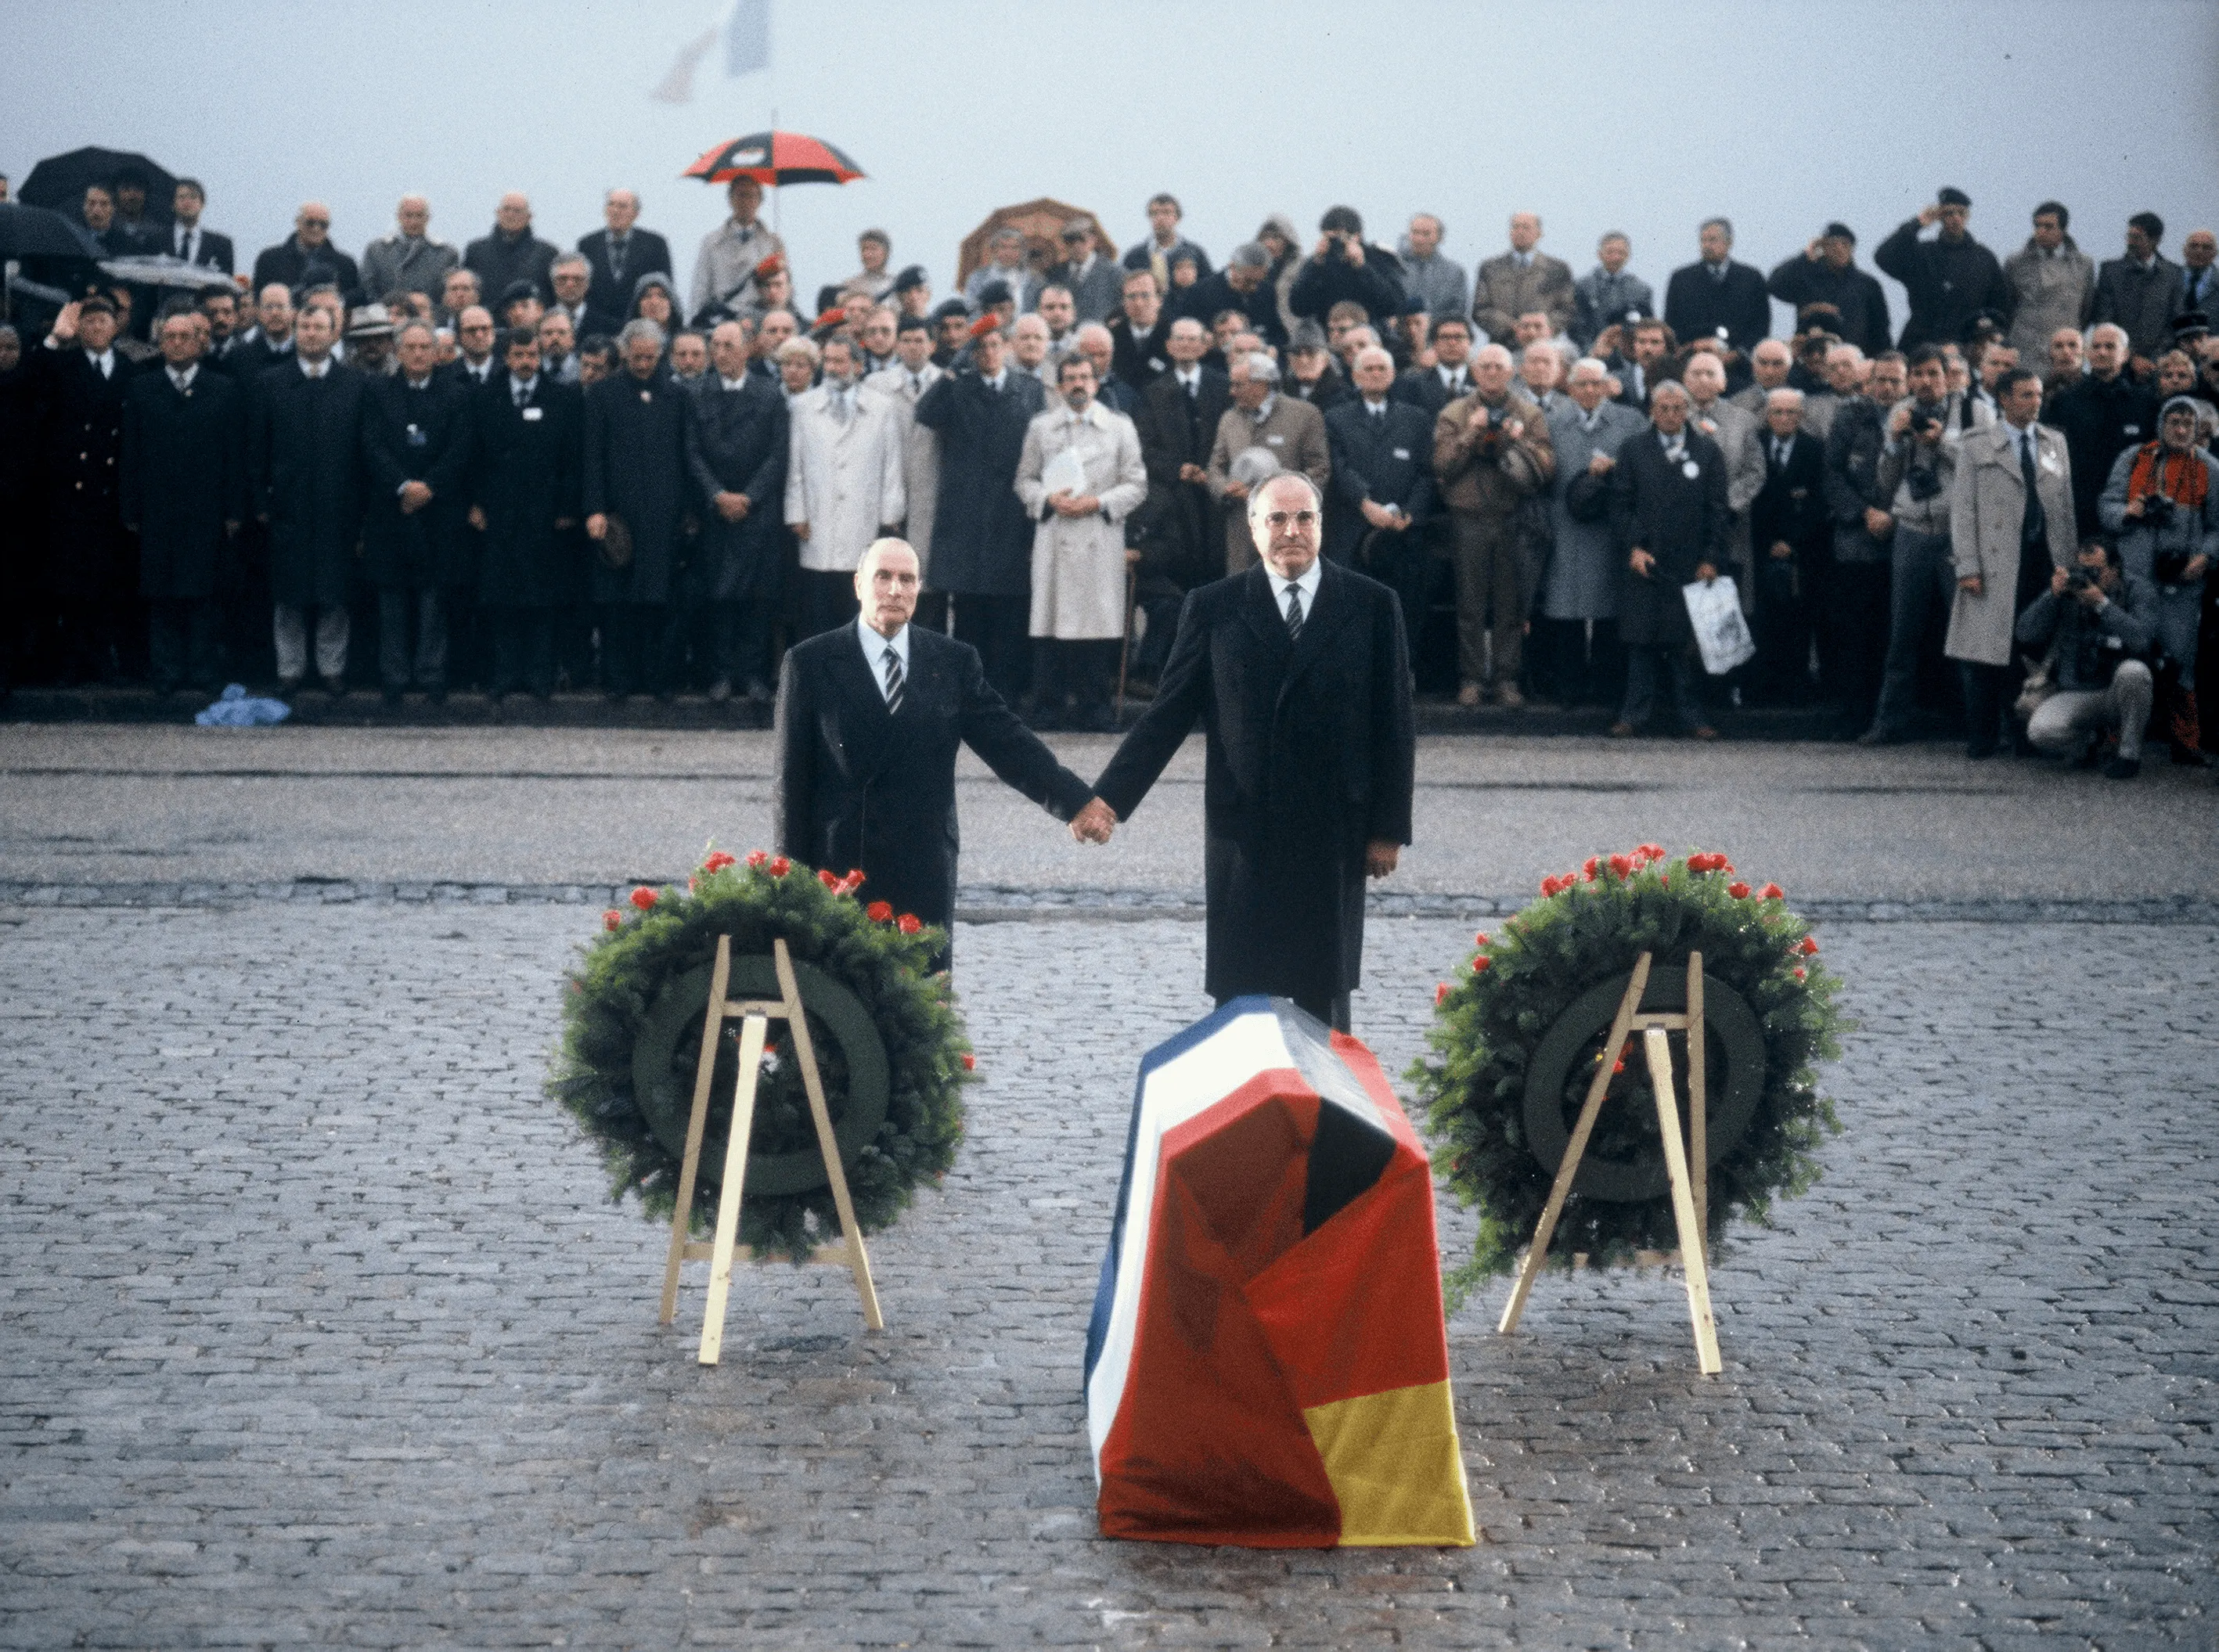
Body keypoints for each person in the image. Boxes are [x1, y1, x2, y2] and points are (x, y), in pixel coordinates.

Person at [1078, 472, 1414, 1032]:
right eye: (1276, 519)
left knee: (1322, 1000)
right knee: (1239, 1001)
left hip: (1332, 831)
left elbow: (1395, 726)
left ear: (1321, 525)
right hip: (1244, 832)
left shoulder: (1372, 605)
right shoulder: (1214, 607)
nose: (1291, 530)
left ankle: (1325, 1117)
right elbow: (1165, 717)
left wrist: (1388, 829)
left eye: (1304, 517)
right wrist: (1107, 799)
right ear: (1253, 529)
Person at [773, 538, 1098, 970]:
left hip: (922, 870)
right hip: (841, 872)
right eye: (883, 577)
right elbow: (791, 787)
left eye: (906, 579)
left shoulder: (952, 662)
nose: (894, 590)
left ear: (919, 588)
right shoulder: (810, 663)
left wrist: (1075, 801)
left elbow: (1007, 742)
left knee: (923, 1011)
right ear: (858, 585)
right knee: (842, 1016)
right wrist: (790, 889)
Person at [913, 320, 1048, 704]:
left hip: (1010, 512)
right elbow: (925, 413)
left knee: (1009, 607)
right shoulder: (959, 387)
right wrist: (952, 370)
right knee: (969, 609)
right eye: (980, 347)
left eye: (994, 344)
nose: (988, 353)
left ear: (1006, 346)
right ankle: (969, 692)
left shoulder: (1030, 389)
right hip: (967, 516)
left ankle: (1005, 692)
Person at [1013, 354, 1147, 730]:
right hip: (1055, 534)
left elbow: (1137, 484)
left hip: (1098, 535)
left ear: (1096, 382)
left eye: (1085, 377)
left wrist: (1099, 503)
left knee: (1096, 621)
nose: (1078, 384)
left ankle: (1095, 707)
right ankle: (1048, 705)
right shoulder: (1042, 427)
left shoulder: (1119, 428)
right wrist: (1047, 499)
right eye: (1070, 378)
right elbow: (1024, 480)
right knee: (1052, 621)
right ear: (1058, 386)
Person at [1861, 345, 1987, 742]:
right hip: (1912, 530)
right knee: (1903, 634)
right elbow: (1884, 482)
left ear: (1948, 375)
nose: (1925, 381)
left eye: (1933, 373)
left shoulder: (1973, 411)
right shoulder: (1900, 411)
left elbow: (1985, 466)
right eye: (1918, 374)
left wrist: (1943, 442)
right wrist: (1896, 442)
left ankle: (1980, 726)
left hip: (1958, 533)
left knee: (1968, 633)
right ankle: (1888, 723)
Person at [1947, 367, 2074, 758]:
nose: (2035, 402)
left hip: (2041, 560)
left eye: (2038, 395)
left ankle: (2024, 734)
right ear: (2003, 399)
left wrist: (2069, 563)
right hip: (1994, 562)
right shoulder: (1977, 444)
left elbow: (2064, 508)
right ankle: (1981, 736)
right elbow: (1963, 509)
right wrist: (1967, 564)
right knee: (1983, 654)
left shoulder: (2054, 442)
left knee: (2031, 648)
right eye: (2025, 395)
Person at [121, 308, 245, 694]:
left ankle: (203, 671)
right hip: (158, 510)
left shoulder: (223, 389)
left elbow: (234, 456)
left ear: (201, 342)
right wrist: (131, 507)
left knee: (203, 594)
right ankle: (167, 672)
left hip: (206, 511)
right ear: (160, 343)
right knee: (162, 595)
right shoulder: (143, 387)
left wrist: (233, 509)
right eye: (169, 337)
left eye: (185, 336)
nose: (176, 343)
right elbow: (131, 453)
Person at [250, 304, 366, 695]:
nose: (312, 333)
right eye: (305, 326)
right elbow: (257, 450)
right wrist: (261, 504)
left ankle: (332, 668)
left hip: (339, 507)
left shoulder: (355, 384)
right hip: (289, 506)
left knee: (335, 593)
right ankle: (290, 669)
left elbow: (363, 452)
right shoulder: (270, 382)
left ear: (335, 334)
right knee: (289, 594)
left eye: (320, 327)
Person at [2097, 395, 2218, 760]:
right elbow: (2106, 506)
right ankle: (2116, 740)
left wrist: (2205, 557)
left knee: (2182, 660)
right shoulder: (2134, 458)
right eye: (2174, 422)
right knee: (2129, 653)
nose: (2181, 430)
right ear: (2161, 424)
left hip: (2183, 582)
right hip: (2136, 579)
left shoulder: (2210, 467)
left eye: (2188, 424)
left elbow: (2217, 527)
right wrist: (2128, 510)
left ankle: (2185, 743)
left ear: (2198, 430)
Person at [361, 319, 474, 704]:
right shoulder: (378, 393)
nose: (418, 354)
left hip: (439, 511)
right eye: (410, 347)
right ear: (397, 350)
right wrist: (404, 485)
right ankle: (393, 676)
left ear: (436, 351)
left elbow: (462, 448)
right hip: (391, 510)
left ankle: (431, 674)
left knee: (434, 599)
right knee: (392, 597)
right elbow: (371, 445)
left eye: (425, 347)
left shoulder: (457, 394)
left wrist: (430, 486)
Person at [1609, 380, 1731, 739]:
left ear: (1688, 411)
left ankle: (1693, 717)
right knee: (1641, 642)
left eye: (1679, 408)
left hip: (1689, 563)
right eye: (1664, 408)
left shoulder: (1707, 451)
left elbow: (1718, 510)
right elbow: (1620, 504)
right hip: (1645, 560)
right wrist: (1633, 546)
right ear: (1651, 410)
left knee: (1683, 646)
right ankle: (1633, 714)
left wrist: (1711, 557)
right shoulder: (1633, 449)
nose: (1671, 415)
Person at [1432, 343, 1551, 707]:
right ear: (1473, 371)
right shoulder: (1454, 412)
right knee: (1469, 604)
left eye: (1499, 367)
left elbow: (1547, 467)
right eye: (1485, 367)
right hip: (1468, 518)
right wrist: (1470, 434)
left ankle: (1506, 679)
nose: (1492, 374)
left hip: (1513, 517)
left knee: (1510, 605)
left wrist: (1521, 443)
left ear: (1512, 371)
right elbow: (1441, 466)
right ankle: (1470, 679)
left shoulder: (1528, 414)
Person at [29, 299, 139, 682]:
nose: (94, 328)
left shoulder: (129, 370)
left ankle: (103, 661)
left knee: (108, 583)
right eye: (88, 322)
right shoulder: (63, 365)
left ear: (116, 326)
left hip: (109, 495)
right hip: (70, 495)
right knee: (70, 583)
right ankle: (70, 662)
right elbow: (32, 377)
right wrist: (55, 340)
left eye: (102, 321)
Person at [470, 326, 581, 701]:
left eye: (531, 355)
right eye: (518, 356)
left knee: (541, 599)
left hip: (544, 517)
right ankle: (504, 674)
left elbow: (572, 460)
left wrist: (566, 508)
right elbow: (475, 459)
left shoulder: (563, 399)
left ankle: (539, 675)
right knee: (502, 599)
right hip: (500, 516)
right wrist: (477, 503)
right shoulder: (486, 398)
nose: (525, 363)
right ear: (506, 357)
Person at [683, 319, 788, 704]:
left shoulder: (769, 394)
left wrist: (749, 497)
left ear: (746, 349)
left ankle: (753, 674)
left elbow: (778, 455)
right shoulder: (698, 394)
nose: (720, 353)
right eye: (716, 345)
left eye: (728, 345)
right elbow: (692, 452)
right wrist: (716, 495)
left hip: (756, 513)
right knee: (720, 595)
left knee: (758, 597)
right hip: (716, 513)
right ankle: (723, 673)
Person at [583, 319, 689, 699]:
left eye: (650, 357)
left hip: (663, 515)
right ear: (624, 353)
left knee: (658, 601)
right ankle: (619, 681)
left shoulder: (676, 396)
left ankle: (658, 680)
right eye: (636, 357)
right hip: (617, 517)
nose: (643, 365)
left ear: (660, 355)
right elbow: (592, 457)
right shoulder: (602, 395)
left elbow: (684, 456)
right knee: (617, 603)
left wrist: (687, 512)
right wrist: (593, 508)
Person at [1537, 357, 1647, 707]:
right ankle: (1568, 688)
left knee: (1609, 606)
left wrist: (1615, 471)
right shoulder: (1551, 423)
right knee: (1567, 607)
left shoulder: (1630, 422)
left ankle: (1605, 687)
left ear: (1607, 388)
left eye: (1596, 384)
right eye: (1581, 384)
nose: (1589, 391)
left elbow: (1644, 468)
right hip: (1565, 525)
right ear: (1569, 388)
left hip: (1611, 529)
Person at [783, 335, 906, 638]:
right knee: (817, 601)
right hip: (818, 514)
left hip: (862, 516)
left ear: (858, 366)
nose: (833, 369)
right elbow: (794, 465)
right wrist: (796, 512)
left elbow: (892, 465)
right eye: (828, 361)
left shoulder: (881, 408)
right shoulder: (803, 406)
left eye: (840, 362)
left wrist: (890, 517)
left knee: (857, 598)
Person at [1323, 344, 1437, 660]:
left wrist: (1409, 512)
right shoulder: (1335, 418)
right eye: (1368, 369)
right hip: (1353, 530)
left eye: (1381, 369)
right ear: (1355, 375)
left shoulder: (1416, 419)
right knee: (1353, 607)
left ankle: (1402, 676)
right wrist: (1365, 503)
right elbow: (1338, 467)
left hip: (1403, 533)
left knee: (1403, 609)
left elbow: (1426, 474)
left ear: (1393, 375)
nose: (1375, 375)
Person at [1133, 318, 1230, 681]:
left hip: (1216, 504)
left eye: (1194, 339)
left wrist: (1213, 470)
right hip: (1174, 506)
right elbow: (1144, 447)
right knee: (1181, 585)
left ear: (1205, 345)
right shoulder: (1154, 391)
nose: (1187, 345)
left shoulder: (1222, 388)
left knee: (1216, 583)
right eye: (1180, 339)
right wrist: (1177, 470)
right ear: (1169, 346)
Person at [2015, 540, 2157, 778]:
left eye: (2095, 571)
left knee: (2136, 672)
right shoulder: (2069, 590)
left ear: (2115, 569)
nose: (2087, 577)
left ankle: (2128, 755)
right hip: (2076, 690)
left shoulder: (2138, 589)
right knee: (2041, 730)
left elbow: (2143, 639)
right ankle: (2089, 745)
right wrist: (2052, 595)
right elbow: (2025, 633)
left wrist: (2103, 605)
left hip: (2118, 689)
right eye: (2081, 569)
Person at [1825, 351, 1906, 737]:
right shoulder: (1850, 417)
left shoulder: (1917, 419)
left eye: (1895, 381)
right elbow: (1832, 473)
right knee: (1855, 633)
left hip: (1904, 539)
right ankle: (1852, 715)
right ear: (1869, 383)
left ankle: (1892, 716)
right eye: (1881, 381)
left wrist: (1895, 516)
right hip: (1856, 543)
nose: (1888, 389)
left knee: (1895, 634)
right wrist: (1864, 513)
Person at [1207, 353, 1331, 575]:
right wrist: (1225, 489)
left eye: (1238, 385)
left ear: (1261, 384)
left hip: (1290, 530)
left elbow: (1319, 468)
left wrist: (1283, 497)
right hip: (1241, 528)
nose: (1231, 392)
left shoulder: (1304, 415)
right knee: (1243, 595)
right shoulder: (1229, 419)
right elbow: (1215, 467)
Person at [1746, 390, 1829, 704]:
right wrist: (1769, 543)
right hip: (1760, 547)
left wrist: (1791, 541)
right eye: (1777, 412)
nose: (1783, 418)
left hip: (1802, 549)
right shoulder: (1755, 444)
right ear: (1767, 415)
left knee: (1798, 619)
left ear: (1801, 415)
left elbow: (1820, 502)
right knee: (1764, 619)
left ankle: (1796, 689)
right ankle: (1763, 690)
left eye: (1790, 412)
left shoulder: (1814, 450)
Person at [2046, 323, 2156, 536]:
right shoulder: (2064, 402)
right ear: (2087, 353)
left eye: (2110, 346)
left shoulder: (2146, 403)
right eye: (2096, 347)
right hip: (2080, 507)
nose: (2102, 352)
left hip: (2131, 508)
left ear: (2125, 355)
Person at [864, 315, 945, 604]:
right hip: (889, 484)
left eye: (920, 340)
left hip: (931, 489)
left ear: (932, 345)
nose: (913, 347)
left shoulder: (946, 383)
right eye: (907, 340)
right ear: (898, 345)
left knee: (926, 581)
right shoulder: (877, 385)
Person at [1876, 188, 2012, 350]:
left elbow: (2002, 305)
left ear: (1967, 217)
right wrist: (1918, 223)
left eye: (1961, 213)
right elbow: (1883, 257)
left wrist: (1988, 339)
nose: (1956, 219)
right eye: (1949, 213)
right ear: (1939, 217)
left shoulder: (1984, 258)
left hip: (1967, 346)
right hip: (1921, 345)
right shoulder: (1923, 254)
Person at [1767, 224, 1890, 358]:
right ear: (1823, 248)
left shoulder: (1867, 285)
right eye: (1833, 244)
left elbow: (1881, 330)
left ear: (1852, 249)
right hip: (1812, 357)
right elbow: (1774, 285)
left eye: (1845, 244)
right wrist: (1806, 255)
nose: (1839, 249)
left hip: (1853, 359)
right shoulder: (1806, 278)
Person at [1663, 218, 1771, 371]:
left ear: (1729, 242)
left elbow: (1761, 326)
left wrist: (1738, 354)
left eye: (1712, 240)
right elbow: (1671, 325)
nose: (1706, 246)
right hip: (1691, 365)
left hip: (1739, 367)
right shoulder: (1681, 279)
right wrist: (1692, 348)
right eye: (1703, 240)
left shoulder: (1751, 279)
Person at [2004, 202, 2095, 365]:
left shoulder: (2083, 265)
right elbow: (2007, 305)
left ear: (2063, 229)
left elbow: (2087, 308)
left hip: (2066, 349)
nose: (2041, 232)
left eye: (2048, 226)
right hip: (2026, 348)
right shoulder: (2016, 263)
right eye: (2037, 226)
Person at [689, 175, 787, 328]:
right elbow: (700, 289)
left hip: (761, 321)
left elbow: (785, 287)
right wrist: (695, 324)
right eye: (741, 195)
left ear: (760, 201)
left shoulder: (773, 243)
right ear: (730, 200)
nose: (746, 201)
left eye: (752, 196)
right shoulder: (712, 243)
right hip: (722, 319)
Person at [2094, 213, 2187, 364]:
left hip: (2159, 363)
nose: (2130, 242)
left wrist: (2155, 358)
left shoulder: (2173, 274)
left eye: (2137, 238)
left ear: (2155, 240)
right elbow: (2104, 319)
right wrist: (2131, 357)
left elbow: (2175, 321)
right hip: (2119, 362)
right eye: (2129, 236)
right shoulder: (2111, 272)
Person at [579, 189, 672, 340]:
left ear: (636, 213)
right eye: (611, 205)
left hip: (641, 331)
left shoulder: (655, 245)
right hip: (597, 330)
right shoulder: (588, 245)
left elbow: (665, 289)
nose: (615, 211)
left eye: (622, 206)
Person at [1471, 214, 1575, 346]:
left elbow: (1567, 309)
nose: (1520, 232)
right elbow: (1481, 310)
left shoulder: (1557, 269)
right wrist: (1513, 327)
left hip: (1544, 347)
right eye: (1516, 227)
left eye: (1526, 228)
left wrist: (1539, 327)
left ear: (1539, 233)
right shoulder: (1491, 268)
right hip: (1503, 345)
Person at [1288, 207, 1405, 325]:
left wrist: (1362, 267)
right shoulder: (1318, 263)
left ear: (1358, 236)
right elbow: (1298, 308)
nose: (1337, 244)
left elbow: (1395, 305)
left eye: (1342, 238)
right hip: (1330, 334)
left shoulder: (1377, 258)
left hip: (1370, 333)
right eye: (1331, 239)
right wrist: (1315, 265)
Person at [1172, 243, 1288, 349]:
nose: (1254, 288)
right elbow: (1181, 330)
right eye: (1248, 281)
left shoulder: (1266, 291)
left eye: (1258, 281)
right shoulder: (1199, 293)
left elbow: (1278, 335)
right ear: (1232, 267)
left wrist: (1272, 349)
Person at [359, 195, 459, 304]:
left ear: (428, 218)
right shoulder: (377, 250)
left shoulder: (446, 254)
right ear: (399, 217)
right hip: (386, 316)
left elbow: (449, 294)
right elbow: (368, 287)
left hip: (429, 318)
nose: (414, 221)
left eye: (419, 216)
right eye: (408, 215)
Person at [252, 203, 361, 301]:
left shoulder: (345, 265)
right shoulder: (270, 260)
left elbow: (354, 298)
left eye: (323, 224)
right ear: (298, 222)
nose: (316, 229)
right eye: (310, 223)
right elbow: (258, 297)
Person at [1122, 193, 1211, 293]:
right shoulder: (1134, 257)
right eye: (1154, 213)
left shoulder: (1195, 253)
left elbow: (1209, 289)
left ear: (1177, 218)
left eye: (1166, 212)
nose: (1160, 218)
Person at [1046, 219, 1122, 325]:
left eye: (1082, 239)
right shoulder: (1054, 274)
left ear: (1093, 240)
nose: (1077, 245)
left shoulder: (1115, 274)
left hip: (1100, 336)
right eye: (1070, 241)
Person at [1397, 213, 1468, 324]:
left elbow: (1457, 312)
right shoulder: (1393, 267)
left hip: (1437, 336)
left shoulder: (1454, 273)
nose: (1419, 239)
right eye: (1415, 232)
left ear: (1439, 238)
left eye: (1426, 234)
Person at [1108, 268, 1171, 391]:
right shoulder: (1111, 337)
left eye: (1145, 295)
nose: (1138, 303)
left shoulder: (1174, 336)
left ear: (1159, 300)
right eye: (1131, 296)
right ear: (1123, 302)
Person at [965, 227, 1041, 313]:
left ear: (1021, 251)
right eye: (1003, 247)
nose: (1008, 253)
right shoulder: (978, 278)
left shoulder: (1033, 280)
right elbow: (971, 311)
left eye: (1014, 247)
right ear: (994, 250)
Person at [167, 178, 232, 273]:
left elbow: (225, 284)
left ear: (202, 203)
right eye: (181, 197)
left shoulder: (222, 245)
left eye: (193, 197)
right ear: (173, 204)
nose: (187, 202)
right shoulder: (155, 240)